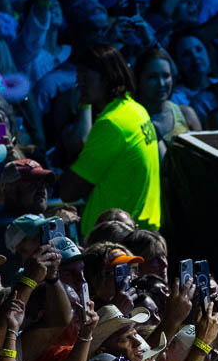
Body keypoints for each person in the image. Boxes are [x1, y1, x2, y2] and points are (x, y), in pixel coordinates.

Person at [60, 43, 160, 233]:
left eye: (85, 77)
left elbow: (69, 191)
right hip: (139, 231)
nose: (79, 84)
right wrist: (85, 104)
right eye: (78, 77)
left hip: (114, 238)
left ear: (108, 77)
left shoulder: (111, 124)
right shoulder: (136, 110)